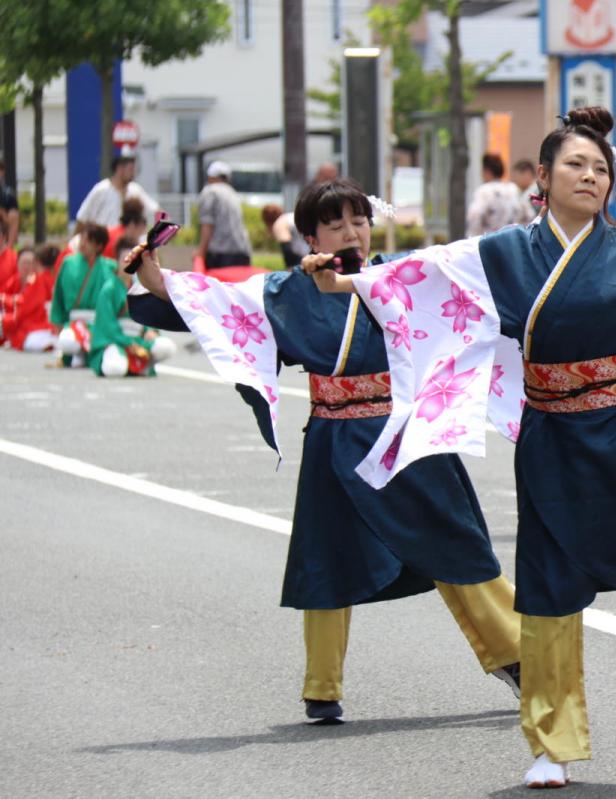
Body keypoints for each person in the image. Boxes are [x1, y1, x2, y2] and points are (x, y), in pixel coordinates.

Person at [307, 107, 616, 789]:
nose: (590, 175)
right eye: (575, 164)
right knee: (546, 591)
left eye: (601, 168)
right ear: (541, 178)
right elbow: (417, 276)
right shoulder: (503, 254)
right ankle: (554, 740)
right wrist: (343, 282)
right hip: (550, 432)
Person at [126, 178, 522, 724]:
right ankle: (321, 684)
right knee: (327, 556)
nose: (350, 231)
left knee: (455, 543)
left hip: (404, 433)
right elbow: (214, 304)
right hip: (335, 436)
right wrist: (153, 275)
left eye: (357, 220)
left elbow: (480, 274)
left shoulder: (404, 274)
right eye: (334, 224)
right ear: (310, 235)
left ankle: (519, 654)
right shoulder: (290, 290)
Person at [86, 242, 175, 376]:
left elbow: (148, 315)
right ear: (117, 261)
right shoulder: (109, 290)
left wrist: (149, 331)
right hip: (116, 340)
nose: (128, 263)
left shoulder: (140, 287)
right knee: (115, 369)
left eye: (133, 260)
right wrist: (128, 343)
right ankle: (130, 363)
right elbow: (107, 325)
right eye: (125, 259)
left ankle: (138, 364)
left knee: (167, 347)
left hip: (138, 339)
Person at [50, 223, 117, 367]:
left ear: (99, 246)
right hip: (75, 322)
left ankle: (89, 354)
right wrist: (58, 321)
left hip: (98, 322)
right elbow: (59, 295)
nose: (82, 243)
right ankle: (80, 353)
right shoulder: (69, 263)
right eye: (82, 238)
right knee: (67, 342)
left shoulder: (111, 267)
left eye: (88, 240)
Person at [195, 161, 253, 269]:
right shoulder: (233, 193)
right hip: (242, 252)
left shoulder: (210, 191)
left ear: (210, 177)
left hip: (220, 254)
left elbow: (207, 224)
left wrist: (200, 252)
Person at [75, 153, 159, 228]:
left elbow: (155, 210)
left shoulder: (135, 190)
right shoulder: (102, 189)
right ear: (120, 169)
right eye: (130, 169)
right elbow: (83, 218)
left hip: (127, 243)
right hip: (104, 241)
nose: (133, 173)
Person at [1, 244, 58, 352]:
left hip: (39, 327)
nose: (27, 267)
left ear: (36, 263)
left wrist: (5, 320)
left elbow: (24, 310)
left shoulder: (39, 280)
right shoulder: (14, 281)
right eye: (23, 263)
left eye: (30, 263)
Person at [466, 153, 527, 236]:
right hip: (513, 241)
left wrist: (474, 239)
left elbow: (474, 217)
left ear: (487, 171)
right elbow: (528, 215)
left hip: (490, 242)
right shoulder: (514, 189)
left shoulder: (484, 191)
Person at [260, 203, 308, 268]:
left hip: (304, 259)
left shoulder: (279, 223)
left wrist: (291, 269)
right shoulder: (290, 217)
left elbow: (287, 249)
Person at [511, 158, 539, 224]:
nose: (515, 179)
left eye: (517, 176)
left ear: (527, 173)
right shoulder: (527, 191)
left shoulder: (536, 192)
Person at [0, 157, 19, 249]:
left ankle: (8, 250)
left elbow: (12, 218)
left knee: (13, 215)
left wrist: (3, 214)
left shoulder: (8, 193)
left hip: (3, 227)